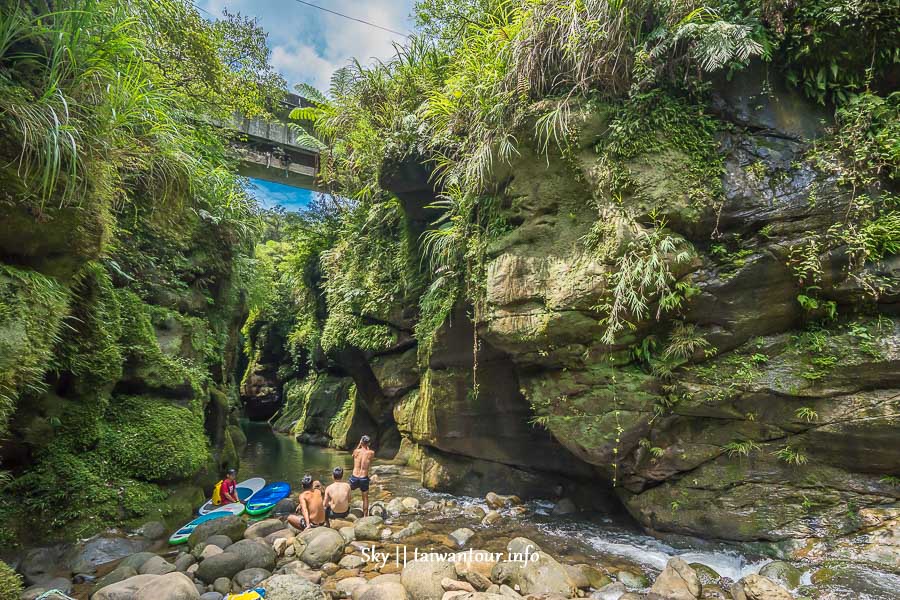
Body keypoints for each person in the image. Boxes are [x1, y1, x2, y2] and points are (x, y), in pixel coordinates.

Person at [349, 435, 375, 516]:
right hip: (364, 478)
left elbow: (353, 456)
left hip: (354, 477)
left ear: (361, 442)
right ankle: (365, 516)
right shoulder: (371, 453)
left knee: (347, 492)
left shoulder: (356, 451)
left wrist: (359, 444)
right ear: (369, 443)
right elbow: (370, 460)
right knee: (365, 497)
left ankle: (343, 508)